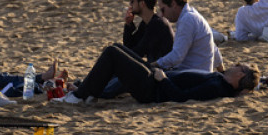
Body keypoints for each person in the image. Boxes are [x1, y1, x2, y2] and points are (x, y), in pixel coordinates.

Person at [58, 47, 256, 105]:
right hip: (156, 80)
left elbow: (182, 97)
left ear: (240, 74)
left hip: (153, 89)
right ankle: (90, 92)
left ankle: (79, 96)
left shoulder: (217, 87)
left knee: (112, 53)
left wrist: (165, 80)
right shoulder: (220, 80)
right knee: (117, 48)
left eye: (238, 66)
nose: (234, 65)